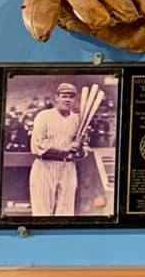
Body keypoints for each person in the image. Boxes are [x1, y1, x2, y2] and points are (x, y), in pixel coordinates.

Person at [29, 83, 85, 216]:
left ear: (75, 100)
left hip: (68, 167)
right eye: (64, 96)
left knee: (66, 212)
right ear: (57, 97)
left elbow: (84, 150)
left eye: (71, 97)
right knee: (42, 212)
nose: (67, 100)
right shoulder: (44, 116)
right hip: (45, 166)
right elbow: (37, 145)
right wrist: (65, 148)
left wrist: (80, 148)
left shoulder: (77, 120)